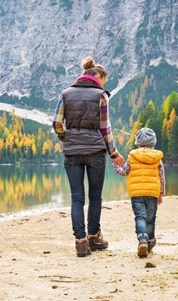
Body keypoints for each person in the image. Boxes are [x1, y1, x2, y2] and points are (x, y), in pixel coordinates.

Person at [52, 56, 124, 257]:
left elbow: (56, 123)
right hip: (95, 152)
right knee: (94, 197)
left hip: (72, 152)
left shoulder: (65, 94)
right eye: (104, 81)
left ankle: (80, 242)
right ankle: (94, 237)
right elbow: (104, 127)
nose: (104, 84)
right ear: (98, 76)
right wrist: (114, 153)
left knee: (76, 198)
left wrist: (66, 137)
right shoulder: (101, 95)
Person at [113, 127, 165, 258]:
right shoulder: (157, 158)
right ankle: (150, 242)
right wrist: (161, 193)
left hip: (136, 193)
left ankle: (142, 239)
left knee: (140, 216)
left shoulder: (132, 156)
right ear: (153, 142)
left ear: (138, 142)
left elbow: (124, 172)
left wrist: (115, 165)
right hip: (152, 192)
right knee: (150, 218)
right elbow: (161, 176)